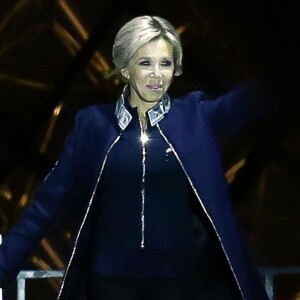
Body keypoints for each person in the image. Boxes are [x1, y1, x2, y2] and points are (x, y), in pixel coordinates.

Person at [0, 15, 270, 300]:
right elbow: (44, 208)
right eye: (145, 63)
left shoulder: (196, 118)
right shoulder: (92, 126)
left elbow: (257, 96)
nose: (156, 74)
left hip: (180, 286)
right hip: (110, 287)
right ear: (125, 68)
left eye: (165, 63)